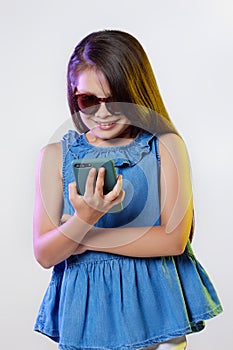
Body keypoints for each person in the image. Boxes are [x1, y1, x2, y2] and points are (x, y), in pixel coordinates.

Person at [33, 30, 223, 350]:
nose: (103, 113)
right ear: (74, 94)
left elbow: (173, 240)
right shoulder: (55, 156)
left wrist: (82, 235)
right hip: (88, 316)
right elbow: (45, 253)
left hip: (160, 313)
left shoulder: (166, 147)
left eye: (115, 97)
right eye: (89, 100)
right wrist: (86, 218)